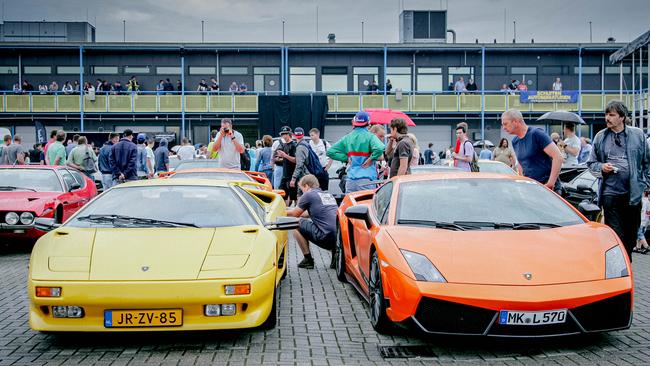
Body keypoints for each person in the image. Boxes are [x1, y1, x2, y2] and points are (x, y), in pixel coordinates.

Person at [587, 100, 650, 262]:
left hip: (632, 195)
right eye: (606, 114)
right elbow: (591, 163)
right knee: (617, 234)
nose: (607, 118)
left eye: (612, 115)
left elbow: (647, 162)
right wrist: (602, 167)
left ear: (622, 117)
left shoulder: (638, 135)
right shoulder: (600, 137)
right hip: (610, 193)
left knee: (630, 235)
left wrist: (645, 184)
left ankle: (626, 264)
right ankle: (619, 267)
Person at [501, 109, 563, 191]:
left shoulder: (536, 134)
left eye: (505, 124)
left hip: (547, 188)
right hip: (531, 188)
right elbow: (521, 163)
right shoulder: (515, 141)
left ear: (515, 121)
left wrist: (550, 183)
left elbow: (558, 157)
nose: (504, 128)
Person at [286, 174, 338, 270]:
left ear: (306, 186)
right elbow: (306, 214)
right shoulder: (327, 194)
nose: (302, 193)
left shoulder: (308, 194)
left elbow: (295, 214)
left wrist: (278, 210)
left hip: (325, 236)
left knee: (295, 224)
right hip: (338, 238)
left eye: (302, 189)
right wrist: (287, 209)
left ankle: (308, 260)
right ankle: (336, 256)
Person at [327, 111, 385, 192]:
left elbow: (330, 152)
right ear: (368, 123)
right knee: (366, 204)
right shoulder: (370, 137)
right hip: (366, 181)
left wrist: (346, 158)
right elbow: (380, 148)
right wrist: (371, 159)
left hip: (350, 181)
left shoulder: (347, 137)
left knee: (351, 204)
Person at [274, 126, 298, 205]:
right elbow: (277, 157)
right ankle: (284, 211)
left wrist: (285, 156)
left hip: (292, 174)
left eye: (285, 134)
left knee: (294, 196)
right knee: (283, 194)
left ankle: (296, 212)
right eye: (282, 134)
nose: (283, 136)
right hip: (285, 174)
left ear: (289, 134)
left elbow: (296, 160)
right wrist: (278, 157)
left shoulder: (294, 145)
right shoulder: (283, 145)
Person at [633, 190, 650, 254]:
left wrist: (641, 221)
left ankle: (646, 246)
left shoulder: (643, 201)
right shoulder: (648, 200)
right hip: (647, 220)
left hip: (642, 220)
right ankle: (638, 247)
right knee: (641, 232)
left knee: (639, 233)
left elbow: (642, 211)